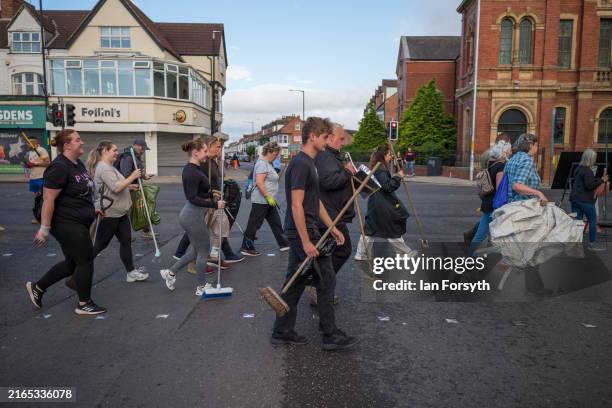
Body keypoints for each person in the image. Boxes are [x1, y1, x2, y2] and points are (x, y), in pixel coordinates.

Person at [271, 117, 359, 351]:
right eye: (324, 137)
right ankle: (329, 335)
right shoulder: (301, 164)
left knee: (297, 282)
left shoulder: (309, 163)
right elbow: (297, 205)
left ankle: (282, 330)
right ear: (313, 137)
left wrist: (332, 227)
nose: (326, 141)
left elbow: (315, 201)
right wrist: (306, 240)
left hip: (310, 230)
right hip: (304, 231)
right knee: (326, 280)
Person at [26, 129, 106, 315]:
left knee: (72, 263)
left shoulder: (76, 163)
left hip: (79, 220)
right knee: (86, 259)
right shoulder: (59, 167)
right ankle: (84, 303)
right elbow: (48, 199)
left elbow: (81, 190)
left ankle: (38, 287)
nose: (82, 143)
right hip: (66, 223)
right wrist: (44, 229)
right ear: (67, 145)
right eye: (78, 140)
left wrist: (92, 208)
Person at [160, 139, 224, 295]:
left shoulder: (195, 169)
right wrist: (215, 205)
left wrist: (211, 194)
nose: (206, 153)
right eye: (204, 151)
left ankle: (171, 272)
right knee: (204, 251)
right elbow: (192, 197)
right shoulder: (191, 171)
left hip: (192, 214)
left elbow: (199, 192)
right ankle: (201, 287)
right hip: (192, 215)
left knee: (197, 250)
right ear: (195, 153)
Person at [86, 141, 149, 282]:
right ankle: (77, 269)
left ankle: (131, 272)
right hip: (110, 214)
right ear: (104, 151)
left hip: (120, 213)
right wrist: (132, 177)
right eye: (114, 150)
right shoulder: (104, 168)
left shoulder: (108, 167)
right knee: (99, 246)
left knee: (126, 241)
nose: (116, 153)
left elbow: (114, 187)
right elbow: (115, 188)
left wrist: (129, 187)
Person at [308, 123, 357, 305]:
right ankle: (317, 287)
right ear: (329, 137)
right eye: (341, 138)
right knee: (341, 250)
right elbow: (328, 181)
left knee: (330, 253)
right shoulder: (325, 157)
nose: (343, 143)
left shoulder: (331, 156)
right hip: (330, 215)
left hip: (334, 212)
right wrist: (347, 171)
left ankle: (319, 288)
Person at [354, 144, 416, 260]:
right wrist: (397, 177)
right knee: (391, 229)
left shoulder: (376, 167)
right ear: (383, 156)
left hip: (375, 203)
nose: (390, 157)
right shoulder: (381, 169)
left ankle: (361, 254)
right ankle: (404, 254)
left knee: (370, 230)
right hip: (383, 204)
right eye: (389, 155)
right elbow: (387, 187)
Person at [240, 142, 290, 256]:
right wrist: (268, 196)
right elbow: (259, 182)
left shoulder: (267, 163)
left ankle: (284, 244)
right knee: (254, 224)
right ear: (269, 151)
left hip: (268, 200)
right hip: (261, 200)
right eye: (276, 154)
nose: (276, 156)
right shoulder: (262, 164)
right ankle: (246, 247)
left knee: (276, 222)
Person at [463, 133, 512, 247]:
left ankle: (474, 254)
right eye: (509, 148)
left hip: (487, 198)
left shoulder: (490, 161)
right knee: (483, 234)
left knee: (484, 232)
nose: (511, 151)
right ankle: (471, 257)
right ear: (504, 150)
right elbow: (499, 188)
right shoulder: (501, 166)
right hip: (494, 203)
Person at [570, 148, 608, 251]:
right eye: (594, 158)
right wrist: (601, 180)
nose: (595, 160)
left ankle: (576, 243)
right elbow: (589, 186)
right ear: (591, 159)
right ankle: (592, 243)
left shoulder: (578, 168)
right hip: (585, 201)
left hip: (575, 199)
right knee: (592, 220)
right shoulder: (588, 171)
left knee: (577, 222)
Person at [119, 139, 156, 239]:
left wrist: (144, 176)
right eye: (142, 148)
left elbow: (137, 171)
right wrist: (130, 186)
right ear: (137, 146)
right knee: (127, 212)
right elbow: (126, 175)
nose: (143, 151)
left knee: (142, 209)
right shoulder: (128, 157)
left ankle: (146, 231)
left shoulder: (136, 156)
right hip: (130, 189)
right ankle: (124, 235)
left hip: (136, 187)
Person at [25, 136, 50, 224]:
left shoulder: (41, 150)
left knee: (43, 199)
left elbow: (47, 163)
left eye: (28, 142)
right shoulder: (31, 152)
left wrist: (35, 164)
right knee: (37, 199)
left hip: (41, 178)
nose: (27, 144)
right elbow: (33, 165)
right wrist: (28, 166)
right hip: (33, 178)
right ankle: (38, 217)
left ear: (34, 142)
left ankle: (42, 219)